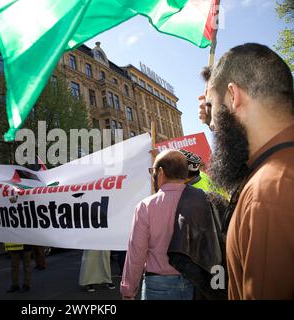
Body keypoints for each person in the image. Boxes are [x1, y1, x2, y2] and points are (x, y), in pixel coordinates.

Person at [198, 43, 294, 299]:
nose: (213, 121)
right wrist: (215, 115)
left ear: (234, 96)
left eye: (212, 108)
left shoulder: (267, 193)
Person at [121, 150, 194, 300]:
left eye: (152, 171)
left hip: (158, 285)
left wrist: (128, 290)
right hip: (195, 282)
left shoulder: (145, 206)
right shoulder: (203, 200)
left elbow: (137, 253)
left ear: (160, 172)